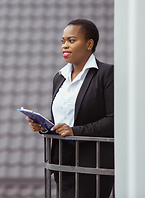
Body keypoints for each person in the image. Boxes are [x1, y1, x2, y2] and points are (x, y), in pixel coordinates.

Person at [26, 19, 114, 198]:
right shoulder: (59, 77)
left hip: (92, 163)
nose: (64, 46)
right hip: (62, 161)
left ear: (89, 44)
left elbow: (113, 120)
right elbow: (62, 121)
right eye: (63, 41)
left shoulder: (106, 74)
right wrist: (44, 126)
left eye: (71, 40)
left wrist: (75, 131)